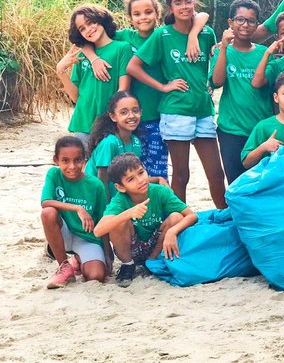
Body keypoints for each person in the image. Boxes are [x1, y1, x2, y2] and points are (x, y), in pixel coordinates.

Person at [81, 0, 210, 180]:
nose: (143, 18)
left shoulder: (165, 34)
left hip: (158, 115)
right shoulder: (125, 37)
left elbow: (201, 15)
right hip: (131, 117)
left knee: (156, 170)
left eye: (148, 12)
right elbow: (87, 39)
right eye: (137, 14)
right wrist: (93, 59)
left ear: (158, 13)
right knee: (129, 171)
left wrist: (193, 33)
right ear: (130, 17)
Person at [126, 0, 226, 208]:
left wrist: (194, 37)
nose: (184, 7)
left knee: (216, 173)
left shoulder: (206, 32)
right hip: (176, 110)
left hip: (203, 108)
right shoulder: (162, 35)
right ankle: (179, 222)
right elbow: (133, 66)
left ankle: (224, 218)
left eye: (188, 1)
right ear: (170, 8)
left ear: (194, 2)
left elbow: (211, 58)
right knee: (181, 174)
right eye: (178, 3)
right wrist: (163, 87)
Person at [94, 153, 197, 288]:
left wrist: (172, 231)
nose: (140, 180)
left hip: (157, 244)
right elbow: (98, 231)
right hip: (132, 247)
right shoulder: (120, 200)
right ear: (120, 187)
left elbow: (192, 215)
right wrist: (128, 213)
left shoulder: (160, 192)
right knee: (117, 222)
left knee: (176, 217)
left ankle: (152, 262)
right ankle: (128, 265)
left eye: (141, 173)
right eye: (131, 179)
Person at [210, 0, 274, 184]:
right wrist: (223, 47)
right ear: (230, 23)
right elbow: (217, 81)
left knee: (263, 184)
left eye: (251, 21)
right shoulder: (222, 52)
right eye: (240, 20)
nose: (245, 25)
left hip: (261, 129)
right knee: (237, 184)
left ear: (257, 25)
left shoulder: (264, 53)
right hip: (231, 130)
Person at [55, 4, 131, 144]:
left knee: (109, 164)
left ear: (101, 19)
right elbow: (75, 97)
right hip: (83, 122)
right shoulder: (81, 54)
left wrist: (113, 117)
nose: (88, 30)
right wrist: (61, 70)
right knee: (85, 165)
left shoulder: (122, 48)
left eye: (90, 22)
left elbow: (123, 90)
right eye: (82, 29)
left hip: (110, 123)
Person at [40, 136, 108, 289]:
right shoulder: (53, 174)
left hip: (87, 238)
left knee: (96, 276)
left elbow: (104, 221)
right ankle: (64, 266)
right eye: (65, 161)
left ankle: (78, 260)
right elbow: (45, 202)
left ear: (85, 160)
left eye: (77, 160)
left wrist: (108, 255)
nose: (72, 166)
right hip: (63, 232)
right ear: (56, 160)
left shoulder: (96, 185)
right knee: (48, 213)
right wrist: (78, 208)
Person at [85, 91, 168, 199]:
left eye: (135, 111)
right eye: (124, 112)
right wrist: (107, 209)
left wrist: (158, 179)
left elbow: (131, 176)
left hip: (119, 193)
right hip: (97, 197)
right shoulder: (109, 143)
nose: (131, 116)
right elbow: (102, 180)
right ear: (113, 116)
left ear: (141, 112)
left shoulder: (136, 141)